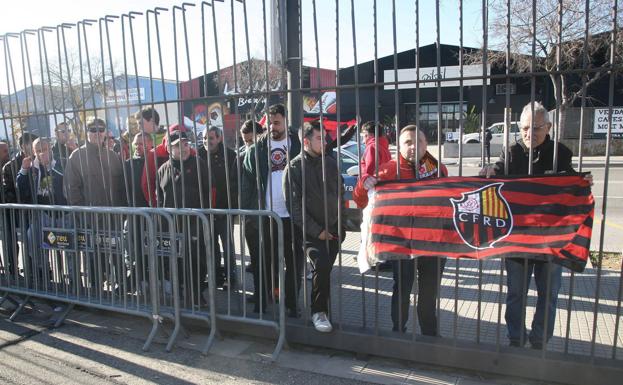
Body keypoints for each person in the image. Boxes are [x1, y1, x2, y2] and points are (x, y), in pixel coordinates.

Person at [480, 101, 592, 349]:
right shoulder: (511, 153)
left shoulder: (560, 153)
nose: (530, 134)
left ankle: (540, 341)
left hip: (552, 239)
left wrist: (582, 180)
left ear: (549, 127)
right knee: (516, 293)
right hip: (518, 239)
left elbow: (570, 182)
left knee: (549, 294)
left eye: (536, 128)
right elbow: (494, 178)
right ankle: (515, 340)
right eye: (525, 128)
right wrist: (487, 172)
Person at [353, 125, 448, 336]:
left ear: (426, 144)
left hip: (433, 243)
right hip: (401, 243)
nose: (414, 146)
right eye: (408, 142)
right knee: (402, 289)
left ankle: (429, 334)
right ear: (399, 146)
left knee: (429, 292)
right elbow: (360, 200)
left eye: (419, 141)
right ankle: (398, 332)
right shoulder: (387, 170)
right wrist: (363, 184)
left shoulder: (438, 169)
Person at [241, 103, 302, 316]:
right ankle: (262, 300)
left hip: (292, 216)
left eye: (277, 123)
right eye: (270, 123)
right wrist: (248, 213)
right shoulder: (257, 148)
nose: (273, 127)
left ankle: (291, 304)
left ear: (285, 121)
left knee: (293, 262)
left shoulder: (298, 145)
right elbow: (247, 181)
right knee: (262, 261)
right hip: (266, 215)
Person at [284, 120, 344, 332]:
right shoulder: (294, 168)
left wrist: (340, 225)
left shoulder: (330, 162)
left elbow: (339, 194)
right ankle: (318, 311)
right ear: (306, 141)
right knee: (321, 267)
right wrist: (317, 231)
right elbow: (295, 207)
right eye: (320, 138)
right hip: (310, 233)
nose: (325, 141)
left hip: (334, 230)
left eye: (325, 137)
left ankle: (323, 308)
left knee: (325, 271)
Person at [64, 117, 125, 291]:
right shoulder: (77, 156)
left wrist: (122, 213)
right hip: (90, 221)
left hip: (114, 219)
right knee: (94, 260)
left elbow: (121, 188)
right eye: (92, 129)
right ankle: (96, 294)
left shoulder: (113, 156)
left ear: (105, 132)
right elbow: (71, 190)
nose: (97, 133)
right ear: (87, 132)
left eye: (101, 129)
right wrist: (84, 215)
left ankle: (123, 295)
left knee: (117, 257)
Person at [157, 129, 210, 302]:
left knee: (197, 259)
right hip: (171, 224)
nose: (184, 148)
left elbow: (210, 191)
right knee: (173, 260)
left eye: (186, 144)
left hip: (195, 222)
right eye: (178, 146)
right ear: (169, 149)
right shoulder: (163, 170)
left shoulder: (199, 163)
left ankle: (196, 293)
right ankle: (178, 290)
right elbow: (158, 199)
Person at [16, 137, 66, 286]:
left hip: (62, 214)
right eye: (38, 151)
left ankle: (72, 281)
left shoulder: (61, 163)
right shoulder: (32, 167)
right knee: (32, 238)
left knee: (67, 248)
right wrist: (24, 170)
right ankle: (43, 271)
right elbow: (21, 189)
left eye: (44, 150)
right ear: (33, 152)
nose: (41, 154)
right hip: (42, 214)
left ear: (50, 149)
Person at [197, 126, 238, 288]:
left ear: (219, 138)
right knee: (210, 246)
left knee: (227, 245)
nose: (207, 141)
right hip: (205, 210)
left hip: (224, 209)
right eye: (205, 138)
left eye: (211, 138)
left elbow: (235, 183)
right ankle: (214, 276)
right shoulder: (198, 154)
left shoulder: (230, 156)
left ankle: (230, 277)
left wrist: (231, 207)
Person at [2, 132, 38, 277]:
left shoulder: (38, 161)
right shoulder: (10, 166)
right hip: (17, 209)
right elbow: (7, 190)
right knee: (13, 239)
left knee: (33, 239)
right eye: (32, 143)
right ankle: (12, 269)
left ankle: (34, 269)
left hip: (35, 208)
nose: (35, 147)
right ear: (23, 146)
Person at [123, 132, 154, 294]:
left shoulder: (155, 161)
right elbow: (123, 188)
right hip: (134, 212)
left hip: (153, 213)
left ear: (150, 144)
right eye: (136, 143)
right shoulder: (128, 164)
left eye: (142, 143)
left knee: (152, 248)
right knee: (135, 249)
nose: (138, 146)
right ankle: (136, 280)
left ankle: (144, 280)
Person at [239, 120, 264, 276]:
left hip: (261, 208)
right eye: (245, 140)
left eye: (250, 140)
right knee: (254, 247)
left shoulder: (264, 153)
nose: (248, 144)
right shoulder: (242, 153)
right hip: (249, 210)